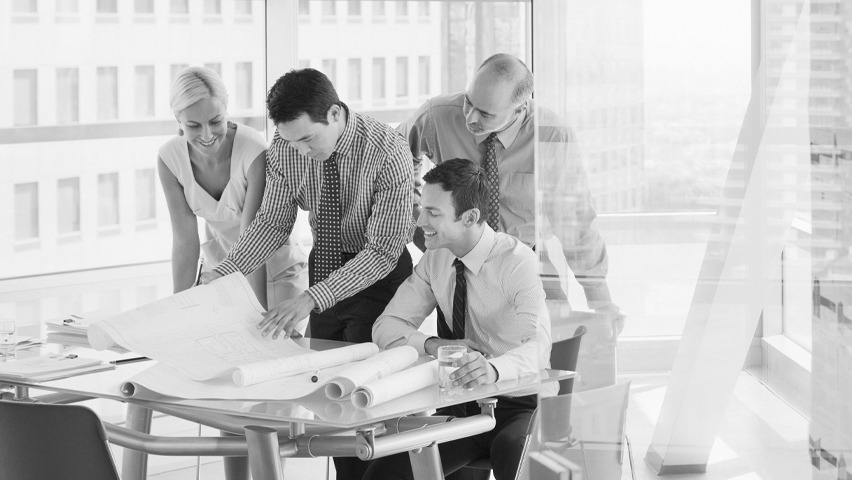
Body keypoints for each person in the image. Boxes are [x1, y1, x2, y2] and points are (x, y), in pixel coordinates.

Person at [197, 69, 415, 479]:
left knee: (368, 401)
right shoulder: (285, 148)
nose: (300, 151)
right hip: (325, 265)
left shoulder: (388, 151)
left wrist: (311, 298)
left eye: (308, 139)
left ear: (334, 114)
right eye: (291, 140)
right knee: (331, 401)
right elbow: (272, 223)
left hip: (380, 276)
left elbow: (384, 250)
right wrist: (225, 272)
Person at [401, 53, 624, 336]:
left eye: (486, 114)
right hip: (458, 262)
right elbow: (393, 161)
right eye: (469, 102)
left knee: (547, 355)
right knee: (463, 362)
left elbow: (574, 222)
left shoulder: (552, 136)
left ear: (519, 109)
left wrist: (600, 299)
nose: (470, 117)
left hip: (525, 260)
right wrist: (418, 219)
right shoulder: (437, 115)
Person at [370, 158, 553, 480]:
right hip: (460, 405)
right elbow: (386, 326)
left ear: (469, 217)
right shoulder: (435, 258)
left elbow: (538, 346)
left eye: (433, 213)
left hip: (519, 405)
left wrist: (492, 369)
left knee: (516, 455)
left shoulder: (517, 263)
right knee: (383, 475)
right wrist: (434, 344)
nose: (419, 220)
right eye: (421, 207)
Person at [157, 66, 307, 307]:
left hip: (272, 275)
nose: (207, 135)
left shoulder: (253, 151)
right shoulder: (169, 159)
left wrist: (256, 313)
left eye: (215, 121)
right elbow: (185, 244)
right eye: (193, 125)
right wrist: (179, 308)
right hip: (219, 274)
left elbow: (254, 242)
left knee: (264, 339)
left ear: (226, 110)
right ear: (178, 119)